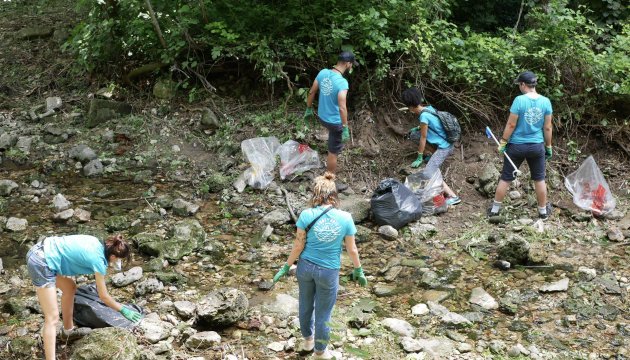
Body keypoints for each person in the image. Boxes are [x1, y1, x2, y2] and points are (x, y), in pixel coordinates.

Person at [273, 172, 367, 359]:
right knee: (324, 314)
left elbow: (298, 245)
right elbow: (352, 249)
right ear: (334, 195)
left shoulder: (306, 214)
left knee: (305, 306)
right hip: (328, 271)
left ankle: (307, 341)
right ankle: (319, 352)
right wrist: (358, 270)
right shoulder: (346, 217)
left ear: (315, 194)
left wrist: (286, 266)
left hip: (305, 267)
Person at [26, 234, 142, 360]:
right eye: (119, 260)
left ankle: (67, 332)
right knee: (52, 317)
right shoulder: (98, 261)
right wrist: (123, 309)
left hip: (42, 250)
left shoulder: (96, 241)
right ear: (113, 256)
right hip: (41, 262)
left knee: (70, 287)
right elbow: (103, 296)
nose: (118, 263)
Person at [488, 71, 553, 219]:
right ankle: (543, 212)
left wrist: (503, 141)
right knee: (539, 179)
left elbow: (511, 124)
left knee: (506, 177)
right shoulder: (546, 101)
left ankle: (494, 211)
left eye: (519, 84)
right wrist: (548, 146)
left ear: (523, 84)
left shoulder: (519, 100)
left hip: (516, 146)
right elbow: (548, 127)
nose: (519, 87)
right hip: (537, 146)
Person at [402, 88, 461, 206]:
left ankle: (453, 196)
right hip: (445, 142)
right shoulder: (428, 109)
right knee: (414, 135)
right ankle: (434, 156)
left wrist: (419, 156)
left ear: (410, 107)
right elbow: (433, 126)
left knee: (429, 172)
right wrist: (418, 128)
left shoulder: (423, 117)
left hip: (445, 147)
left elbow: (423, 138)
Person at [304, 51, 358, 173]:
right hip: (334, 122)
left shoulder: (323, 73)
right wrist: (344, 127)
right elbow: (342, 107)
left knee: (332, 140)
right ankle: (329, 179)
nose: (351, 66)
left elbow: (312, 92)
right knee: (333, 152)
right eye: (352, 64)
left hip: (322, 117)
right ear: (347, 64)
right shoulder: (342, 82)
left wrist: (308, 108)